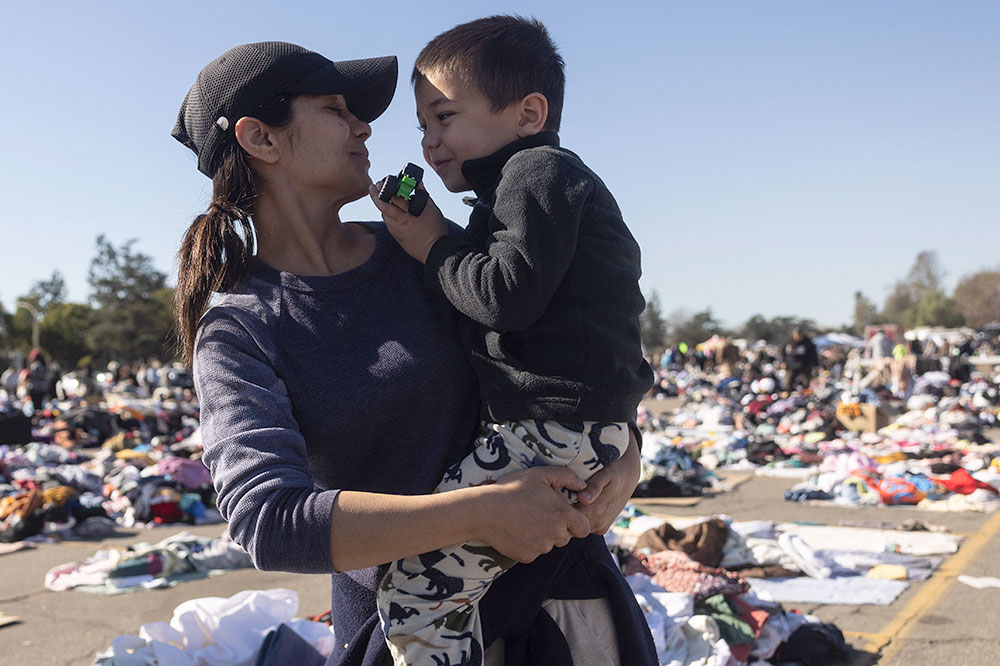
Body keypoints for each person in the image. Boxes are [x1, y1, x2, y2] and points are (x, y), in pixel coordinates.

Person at [171, 41, 654, 666]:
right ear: (261, 138)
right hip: (406, 629)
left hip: (561, 608)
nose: (363, 126)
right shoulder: (242, 328)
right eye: (334, 109)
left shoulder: (423, 248)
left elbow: (567, 348)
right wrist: (478, 512)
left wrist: (628, 453)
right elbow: (270, 521)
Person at [368, 16, 653, 666]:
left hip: (545, 432)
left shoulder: (536, 173)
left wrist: (433, 246)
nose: (431, 142)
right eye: (422, 127)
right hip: (572, 432)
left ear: (528, 112)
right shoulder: (527, 189)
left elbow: (504, 297)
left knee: (416, 590)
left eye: (444, 117)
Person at [782, 327, 818, 392]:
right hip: (791, 366)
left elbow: (813, 354)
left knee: (806, 383)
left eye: (799, 335)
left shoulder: (808, 342)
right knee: (788, 382)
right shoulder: (789, 342)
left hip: (804, 365)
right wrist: (783, 362)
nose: (798, 337)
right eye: (796, 335)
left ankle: (805, 396)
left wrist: (815, 364)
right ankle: (789, 394)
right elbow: (783, 353)